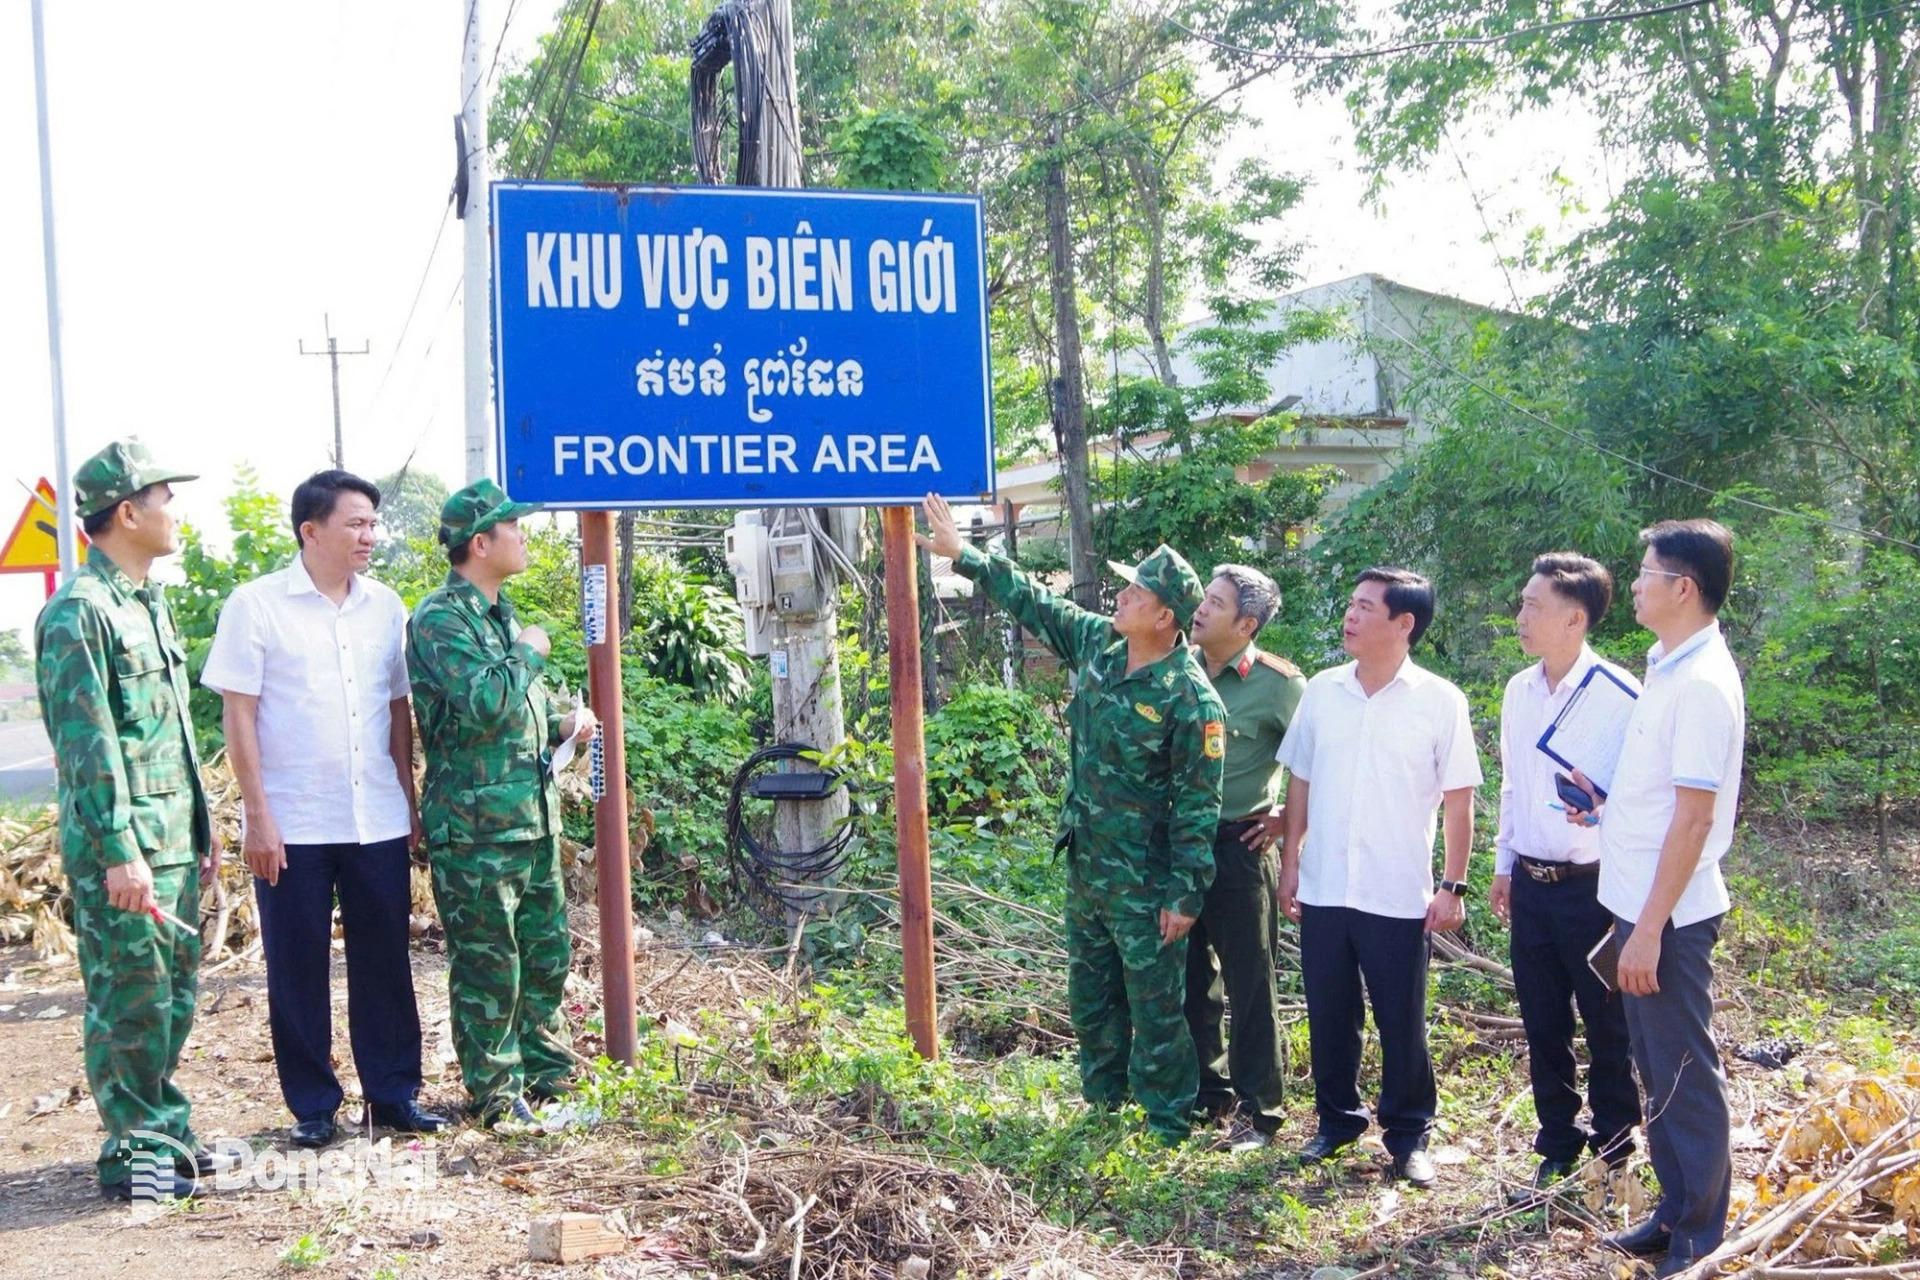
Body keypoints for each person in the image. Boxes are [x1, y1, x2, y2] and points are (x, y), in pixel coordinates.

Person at [915, 493, 1225, 1143]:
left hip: (1147, 881)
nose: (1120, 599)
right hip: (1088, 864)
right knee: (1092, 999)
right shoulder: (1099, 646)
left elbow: (1199, 807)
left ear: (1165, 616)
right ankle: (1103, 1110)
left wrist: (1184, 894)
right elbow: (1036, 602)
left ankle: (1168, 1125)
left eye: (1134, 595)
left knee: (1157, 1008)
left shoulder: (1190, 699)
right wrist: (967, 556)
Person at [203, 470, 449, 1148]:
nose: (371, 535)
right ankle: (313, 1104)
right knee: (297, 964)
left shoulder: (384, 605)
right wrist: (258, 814)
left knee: (385, 961)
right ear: (311, 531)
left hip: (375, 814)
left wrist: (408, 795)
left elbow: (395, 710)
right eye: (356, 523)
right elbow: (240, 714)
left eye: (373, 523)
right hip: (293, 821)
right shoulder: (256, 607)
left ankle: (393, 1095)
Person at [34, 439, 227, 1200]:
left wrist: (201, 836)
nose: (172, 511)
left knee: (173, 997)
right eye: (162, 497)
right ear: (126, 511)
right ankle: (135, 1152)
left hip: (172, 841)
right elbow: (90, 749)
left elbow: (168, 738)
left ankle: (164, 1127)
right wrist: (119, 851)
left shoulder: (145, 604)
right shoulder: (79, 614)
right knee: (129, 1001)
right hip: (128, 850)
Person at [1276, 567, 1482, 1187]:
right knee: (1330, 1012)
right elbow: (1301, 781)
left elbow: (1459, 800)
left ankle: (1409, 1133)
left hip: (1397, 892)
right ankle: (1337, 1122)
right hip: (1326, 884)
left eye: (1366, 608)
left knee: (1401, 1018)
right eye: (1351, 605)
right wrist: (1291, 863)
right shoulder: (1322, 690)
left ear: (1403, 623)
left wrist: (1453, 885)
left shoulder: (1440, 700)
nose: (1352, 616)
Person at [1575, 520, 1743, 1277]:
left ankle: (1701, 1235)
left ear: (1683, 587)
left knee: (1683, 1069)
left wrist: (1647, 930)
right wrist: (1608, 804)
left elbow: (1697, 816)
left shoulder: (1704, 682)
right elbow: (1663, 796)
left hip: (1665, 916)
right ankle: (1675, 1209)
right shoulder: (1667, 662)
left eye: (1644, 572)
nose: (1633, 583)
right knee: (1656, 1065)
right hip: (1639, 904)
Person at [406, 479, 596, 1130]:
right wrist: (528, 652)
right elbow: (484, 703)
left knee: (545, 956)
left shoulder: (502, 615)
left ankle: (547, 1080)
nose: (523, 536)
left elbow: (515, 715)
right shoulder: (439, 618)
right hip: (476, 826)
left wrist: (563, 725)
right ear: (480, 543)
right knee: (490, 964)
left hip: (531, 819)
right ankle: (495, 1096)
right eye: (511, 528)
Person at [1491, 553, 1641, 1199]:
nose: (1521, 616)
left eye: (1535, 606)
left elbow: (1639, 802)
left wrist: (1601, 816)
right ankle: (1557, 1143)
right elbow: (1511, 785)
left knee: (1607, 1021)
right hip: (1531, 883)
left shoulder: (1618, 694)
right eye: (1522, 602)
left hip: (1594, 886)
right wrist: (1501, 866)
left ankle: (1614, 1146)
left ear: (1575, 618)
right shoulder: (1518, 691)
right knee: (1542, 1020)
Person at [1183, 564, 1305, 1142]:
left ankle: (1262, 1111)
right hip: (1178, 848)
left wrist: (1285, 820)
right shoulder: (1174, 669)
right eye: (1204, 597)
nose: (1201, 608)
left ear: (1247, 622)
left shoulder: (1280, 685)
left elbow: (1312, 767)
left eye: (1216, 602)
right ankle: (1207, 1097)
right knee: (1187, 981)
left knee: (1249, 984)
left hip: (1239, 848)